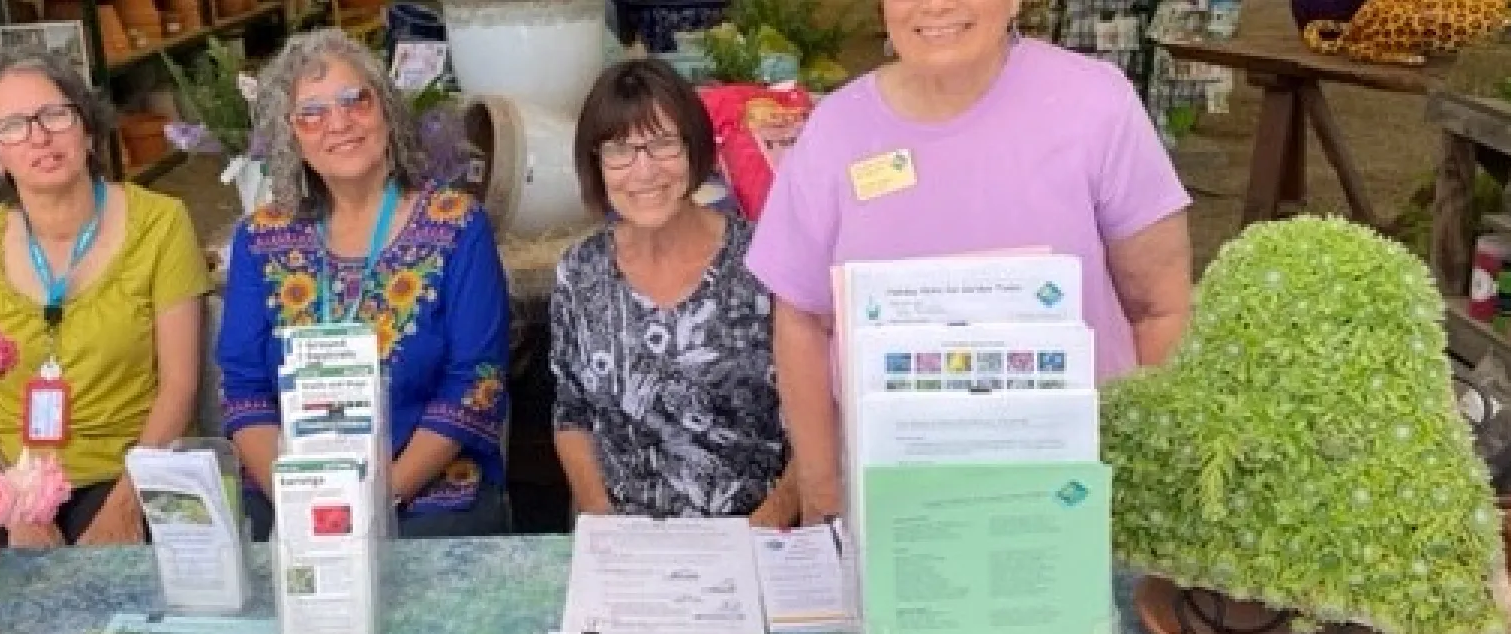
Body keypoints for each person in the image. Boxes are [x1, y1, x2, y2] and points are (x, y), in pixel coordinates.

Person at [745, 4, 1195, 523]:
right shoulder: (836, 130)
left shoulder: (1094, 104)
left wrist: (1142, 484)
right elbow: (801, 319)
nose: (935, 6)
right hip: (896, 514)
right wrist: (823, 495)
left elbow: (1160, 310)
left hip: (1074, 504)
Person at [218, 28, 513, 539]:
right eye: (312, 112)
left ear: (386, 111)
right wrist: (300, 502)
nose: (340, 123)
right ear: (291, 137)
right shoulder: (260, 238)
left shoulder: (458, 225)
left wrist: (380, 499)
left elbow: (476, 383)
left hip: (426, 493)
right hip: (288, 496)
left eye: (356, 99)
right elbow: (244, 390)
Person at [0, 49, 212, 547]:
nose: (40, 137)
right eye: (14, 126)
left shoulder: (161, 223)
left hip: (128, 469)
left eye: (55, 115)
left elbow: (179, 387)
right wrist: (6, 504)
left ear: (86, 126)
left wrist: (126, 505)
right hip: (5, 476)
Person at [549, 59, 796, 526]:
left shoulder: (764, 260)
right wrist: (603, 521)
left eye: (663, 144)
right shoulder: (580, 273)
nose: (644, 172)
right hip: (629, 546)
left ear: (694, 149)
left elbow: (818, 407)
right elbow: (572, 415)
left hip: (756, 536)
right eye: (620, 150)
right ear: (596, 163)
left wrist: (769, 524)